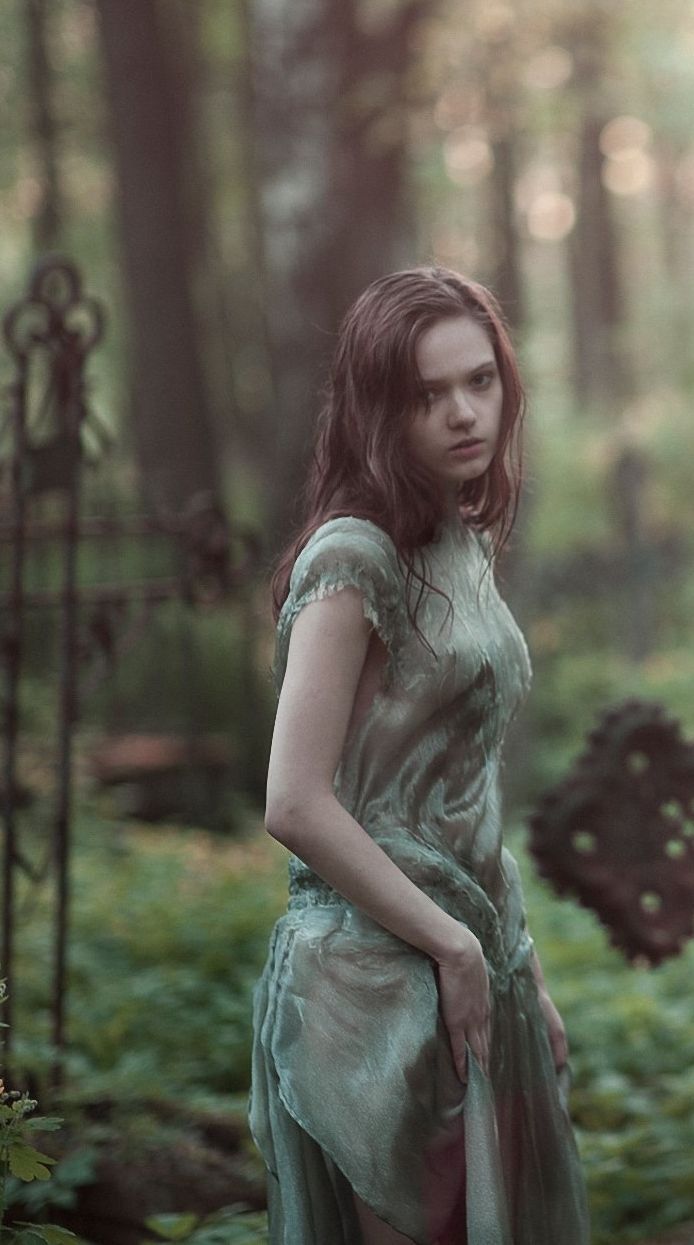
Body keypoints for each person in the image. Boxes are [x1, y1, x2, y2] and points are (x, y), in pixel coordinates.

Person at [249, 267, 590, 1245]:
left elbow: (459, 788)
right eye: (427, 395)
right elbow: (295, 802)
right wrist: (452, 945)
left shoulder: (460, 539)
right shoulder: (353, 558)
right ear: (376, 410)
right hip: (372, 987)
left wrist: (518, 965)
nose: (462, 414)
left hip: (475, 968)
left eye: (479, 382)